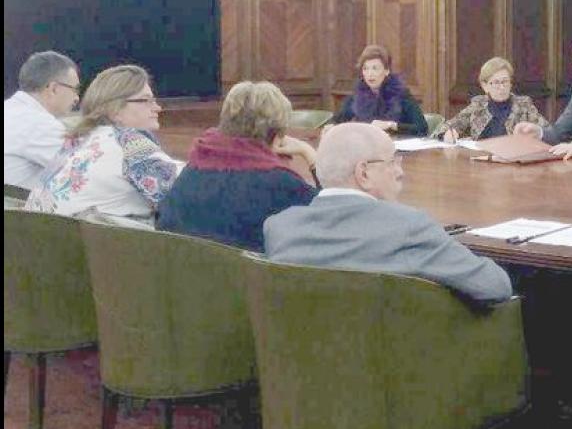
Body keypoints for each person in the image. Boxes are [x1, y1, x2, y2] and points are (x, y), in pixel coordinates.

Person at [264, 123, 512, 304]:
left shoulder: (280, 228)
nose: (400, 171)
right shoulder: (409, 228)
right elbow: (495, 286)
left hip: (301, 360)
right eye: (392, 161)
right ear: (363, 173)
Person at [158, 81, 317, 251]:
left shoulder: (192, 170)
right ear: (277, 134)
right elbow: (330, 216)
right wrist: (310, 154)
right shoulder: (281, 183)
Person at [26, 64, 179, 228]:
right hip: (103, 242)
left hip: (43, 238)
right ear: (115, 110)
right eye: (146, 100)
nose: (157, 108)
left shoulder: (76, 142)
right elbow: (186, 190)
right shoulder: (129, 143)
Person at [4, 51, 81, 194]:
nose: (77, 98)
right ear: (53, 88)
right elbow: (85, 170)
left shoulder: (11, 110)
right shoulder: (38, 124)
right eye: (75, 89)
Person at [434, 57, 547, 142]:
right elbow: (447, 126)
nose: (501, 87)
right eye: (496, 82)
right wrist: (447, 134)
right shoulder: (478, 105)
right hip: (481, 160)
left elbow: (546, 131)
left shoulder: (523, 105)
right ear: (485, 86)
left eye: (505, 81)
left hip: (512, 160)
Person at [332, 44, 428, 136]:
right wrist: (331, 126)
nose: (370, 74)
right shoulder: (358, 95)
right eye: (365, 69)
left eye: (375, 68)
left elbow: (422, 128)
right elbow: (339, 119)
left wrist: (391, 125)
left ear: (386, 71)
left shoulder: (401, 94)